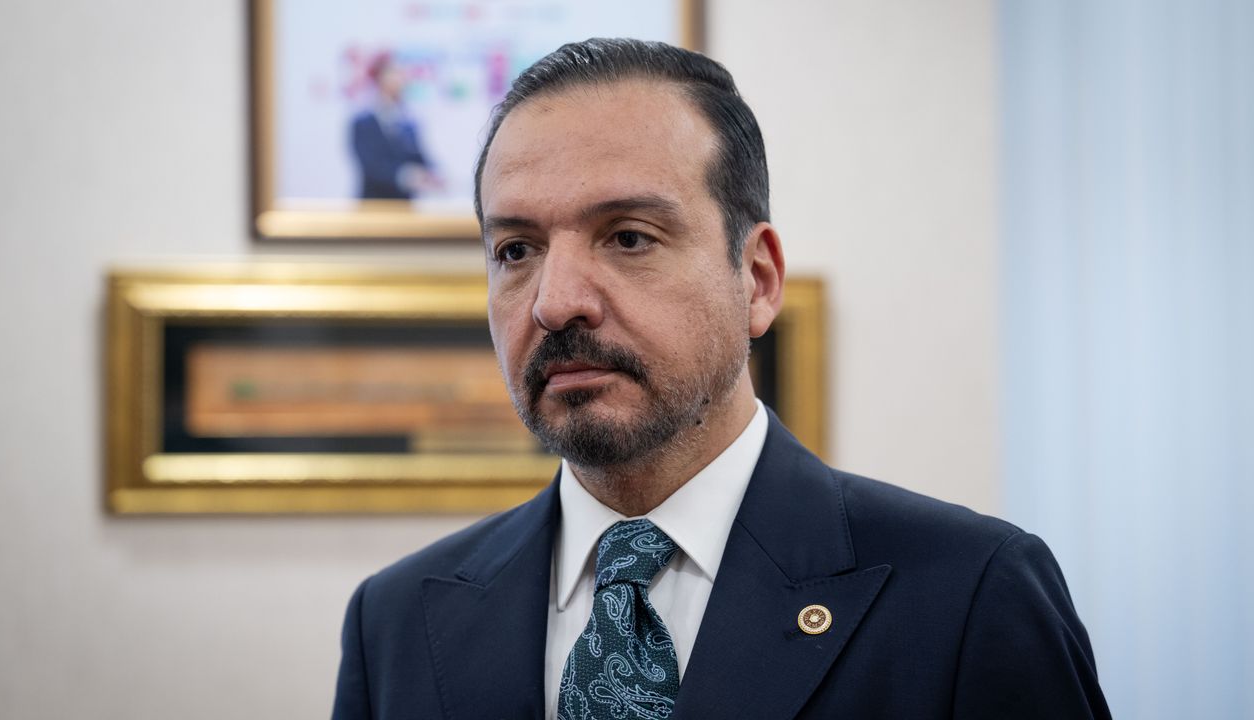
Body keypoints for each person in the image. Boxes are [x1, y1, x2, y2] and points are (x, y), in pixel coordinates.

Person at [331, 38, 1111, 719]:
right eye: (515, 251)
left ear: (758, 280)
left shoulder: (968, 595)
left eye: (628, 237)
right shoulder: (394, 624)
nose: (555, 301)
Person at [350, 53, 440, 200]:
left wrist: (432, 173)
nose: (400, 79)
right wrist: (405, 176)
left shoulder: (409, 121)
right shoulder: (363, 122)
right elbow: (371, 166)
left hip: (404, 204)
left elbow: (418, 155)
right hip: (373, 203)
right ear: (380, 78)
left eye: (402, 75)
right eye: (394, 74)